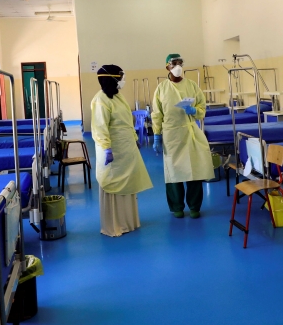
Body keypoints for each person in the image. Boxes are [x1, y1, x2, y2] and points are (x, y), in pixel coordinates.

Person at [90, 64, 153, 237]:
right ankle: (115, 225)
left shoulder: (118, 96)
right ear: (112, 78)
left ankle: (128, 222)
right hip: (112, 149)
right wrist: (107, 148)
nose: (123, 80)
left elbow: (127, 120)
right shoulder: (100, 100)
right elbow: (99, 127)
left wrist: (134, 138)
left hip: (126, 148)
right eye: (121, 76)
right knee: (113, 184)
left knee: (127, 185)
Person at [151, 54, 214, 218]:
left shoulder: (192, 86)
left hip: (189, 131)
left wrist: (195, 111)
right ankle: (176, 207)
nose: (178, 66)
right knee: (173, 172)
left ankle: (194, 206)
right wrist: (157, 135)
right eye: (174, 63)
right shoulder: (161, 89)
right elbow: (157, 114)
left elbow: (202, 107)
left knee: (194, 170)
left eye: (180, 63)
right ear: (167, 67)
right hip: (171, 134)